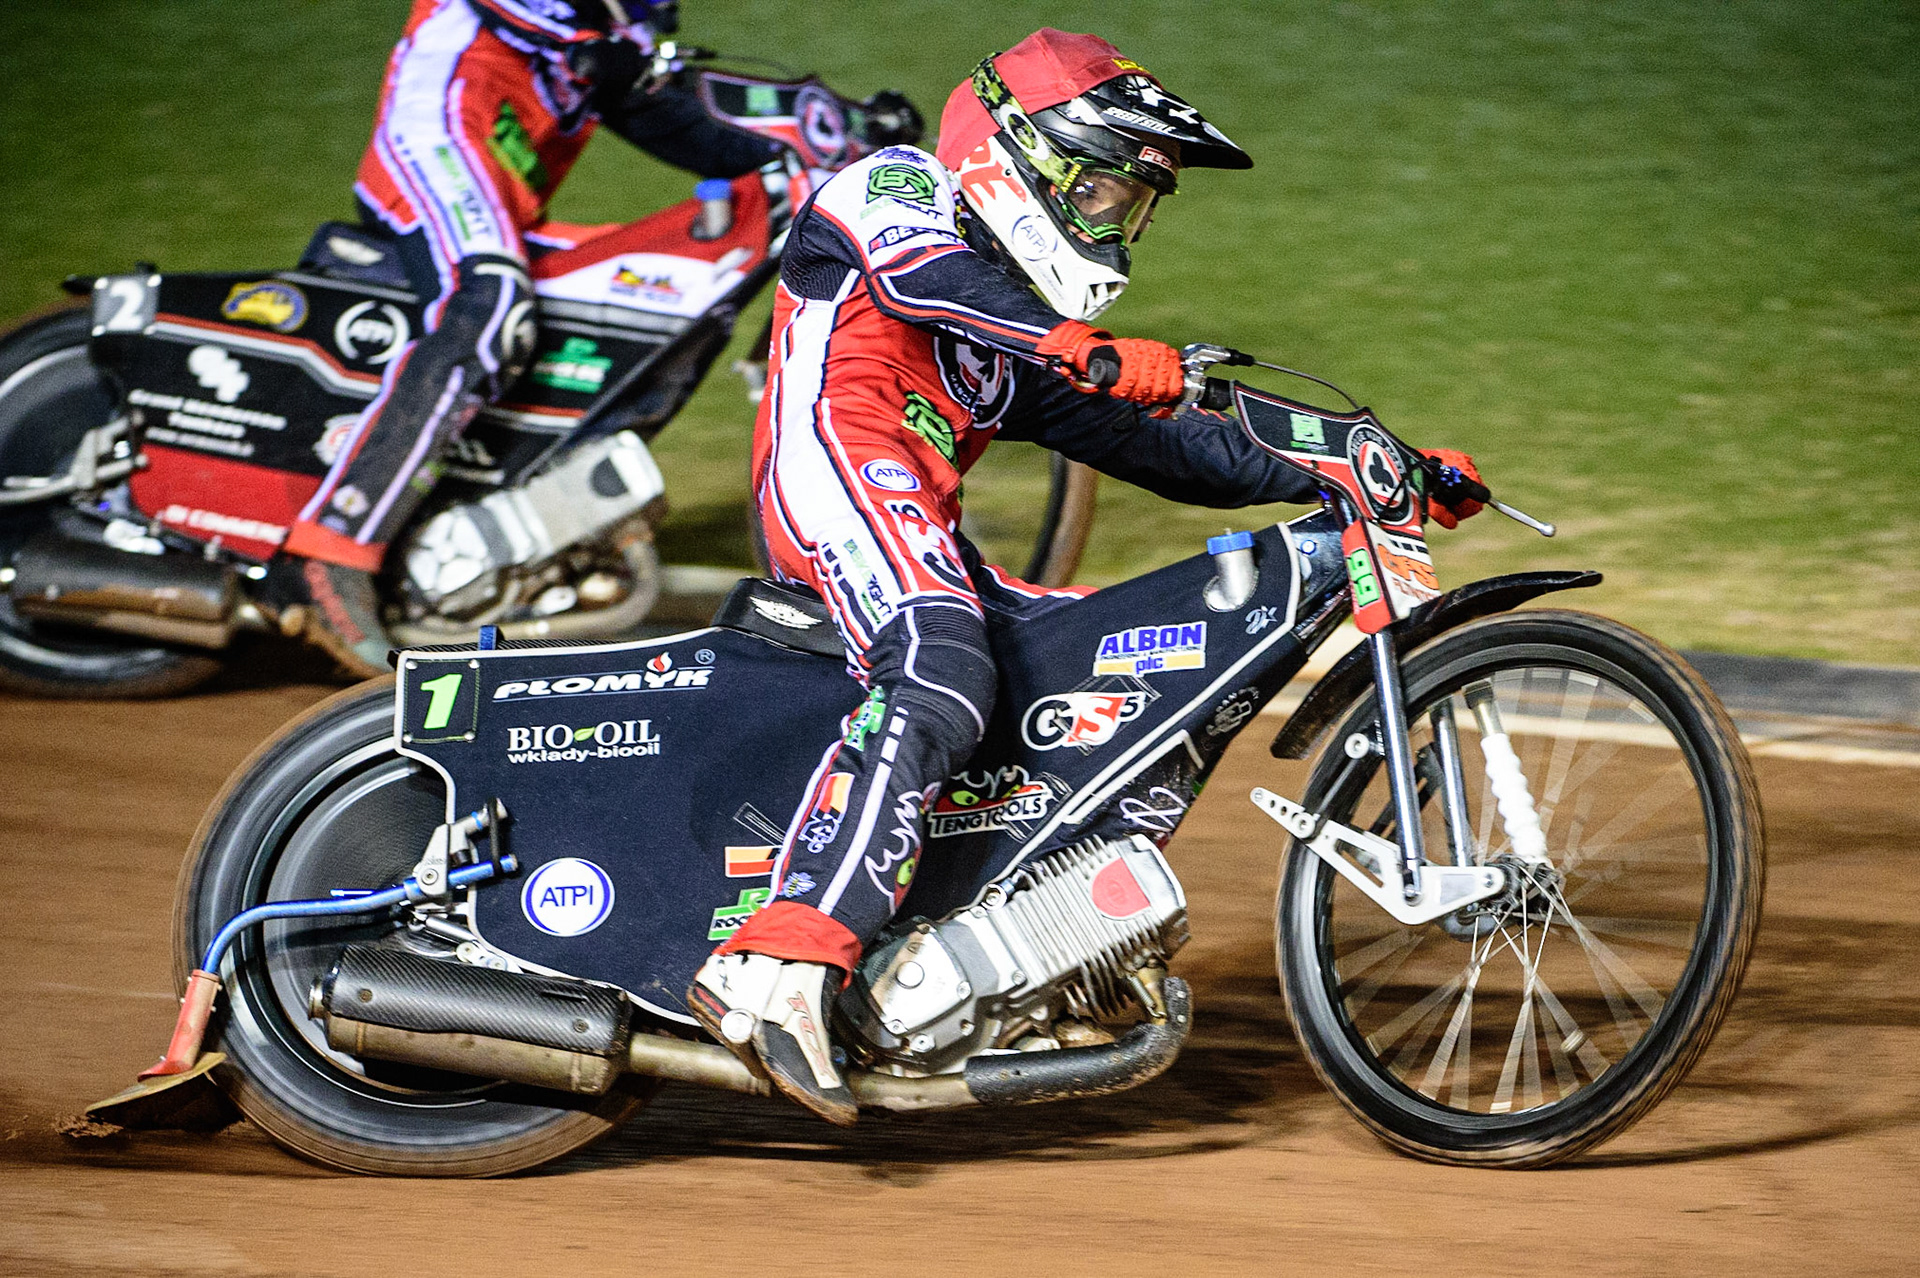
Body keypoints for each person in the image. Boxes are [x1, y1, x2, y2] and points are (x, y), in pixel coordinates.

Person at [685, 28, 1486, 1124]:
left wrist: (1357, 464)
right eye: (1105, 192)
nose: (1117, 223)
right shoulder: (891, 190)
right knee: (942, 666)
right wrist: (1081, 345)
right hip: (831, 477)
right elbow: (939, 283)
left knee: (1100, 677)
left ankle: (980, 949)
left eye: (1134, 207)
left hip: (915, 515)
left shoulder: (1014, 341)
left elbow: (1165, 447)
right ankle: (776, 968)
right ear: (1024, 156)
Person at [279, 0, 789, 674]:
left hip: (495, 182)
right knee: (493, 309)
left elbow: (663, 116)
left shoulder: (621, 25)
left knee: (616, 296)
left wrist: (801, 150)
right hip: (439, 136)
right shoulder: (583, 24)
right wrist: (583, 39)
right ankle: (331, 551)